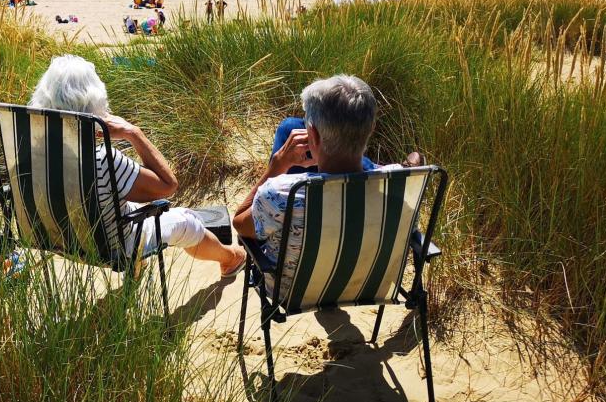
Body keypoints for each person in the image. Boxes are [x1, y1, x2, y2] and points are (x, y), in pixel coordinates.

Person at [29, 56, 246, 276]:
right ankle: (231, 258)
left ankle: (137, 270)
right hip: (113, 248)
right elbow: (168, 185)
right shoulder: (101, 159)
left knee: (124, 204)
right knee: (186, 221)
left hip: (56, 240)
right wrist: (133, 133)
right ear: (94, 101)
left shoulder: (30, 150)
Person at [232, 75, 422, 266]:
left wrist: (276, 167)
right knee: (365, 165)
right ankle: (378, 168)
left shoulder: (281, 194)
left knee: (288, 127)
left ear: (312, 134)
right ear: (371, 128)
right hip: (373, 292)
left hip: (293, 293)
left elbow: (240, 223)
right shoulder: (403, 189)